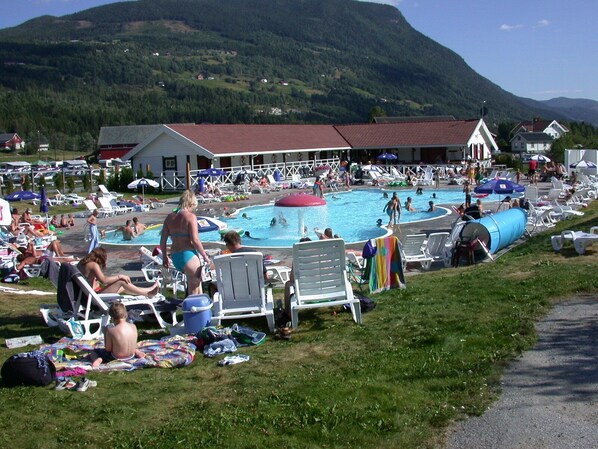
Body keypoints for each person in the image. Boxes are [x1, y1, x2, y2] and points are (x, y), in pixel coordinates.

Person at [160, 190, 210, 295]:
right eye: (193, 207)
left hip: (175, 256)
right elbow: (195, 240)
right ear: (191, 203)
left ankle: (199, 304)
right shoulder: (190, 217)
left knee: (196, 286)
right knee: (194, 289)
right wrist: (204, 256)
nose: (193, 210)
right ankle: (193, 306)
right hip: (188, 255)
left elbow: (163, 240)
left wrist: (164, 256)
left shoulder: (169, 217)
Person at [77, 247, 159, 297]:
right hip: (93, 298)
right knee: (121, 281)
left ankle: (147, 290)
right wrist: (120, 276)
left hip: (85, 296)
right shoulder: (93, 265)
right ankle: (148, 294)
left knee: (123, 288)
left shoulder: (82, 263)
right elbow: (104, 280)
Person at [89, 302, 146, 368]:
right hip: (131, 355)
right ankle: (137, 352)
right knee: (129, 346)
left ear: (112, 318)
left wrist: (105, 334)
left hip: (116, 358)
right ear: (126, 314)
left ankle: (97, 360)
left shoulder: (111, 330)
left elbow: (108, 349)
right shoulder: (133, 326)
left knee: (93, 352)